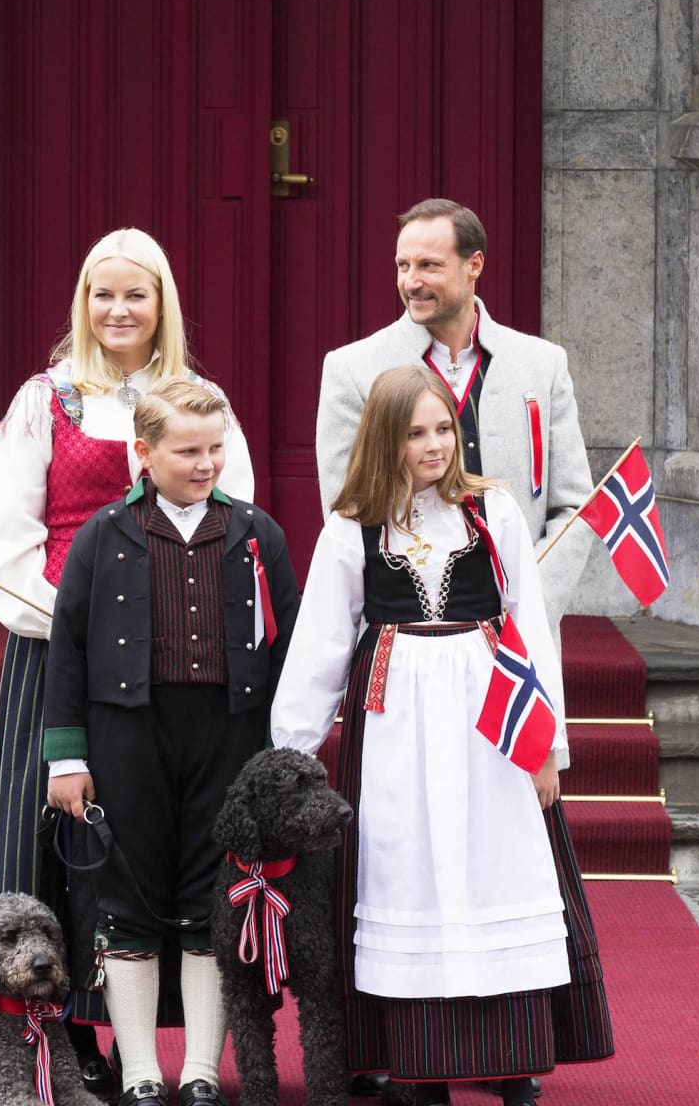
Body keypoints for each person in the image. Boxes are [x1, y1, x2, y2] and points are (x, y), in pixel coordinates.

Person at [274, 367, 612, 1106]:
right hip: (395, 724)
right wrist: (294, 752)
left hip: (491, 719)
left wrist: (546, 745)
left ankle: (511, 1057)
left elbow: (529, 626)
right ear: (385, 440)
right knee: (406, 867)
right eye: (415, 432)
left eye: (442, 429)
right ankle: (414, 1063)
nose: (433, 445)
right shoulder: (354, 524)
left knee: (497, 864)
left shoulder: (492, 512)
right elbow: (324, 639)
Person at [0, 229, 255, 1095]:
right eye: (103, 294)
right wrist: (79, 625)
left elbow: (229, 519)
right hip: (56, 649)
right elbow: (8, 545)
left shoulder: (198, 404)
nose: (119, 310)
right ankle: (33, 1042)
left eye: (136, 294)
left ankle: (139, 1043)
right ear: (82, 303)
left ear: (161, 302)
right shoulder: (43, 401)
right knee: (45, 841)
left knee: (142, 850)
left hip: (166, 670)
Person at [43, 377, 300, 1106]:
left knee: (208, 900)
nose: (206, 463)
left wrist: (286, 753)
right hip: (127, 734)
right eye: (188, 450)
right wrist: (67, 756)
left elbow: (290, 645)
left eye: (215, 448)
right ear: (144, 454)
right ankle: (140, 1073)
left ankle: (197, 1073)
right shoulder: (103, 534)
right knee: (125, 898)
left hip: (229, 734)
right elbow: (66, 650)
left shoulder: (256, 531)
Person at [315, 198, 593, 638]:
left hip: (517, 636)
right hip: (404, 636)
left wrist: (527, 602)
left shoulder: (542, 364)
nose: (411, 281)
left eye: (429, 265)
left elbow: (575, 506)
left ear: (474, 265)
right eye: (403, 265)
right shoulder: (352, 369)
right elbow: (347, 507)